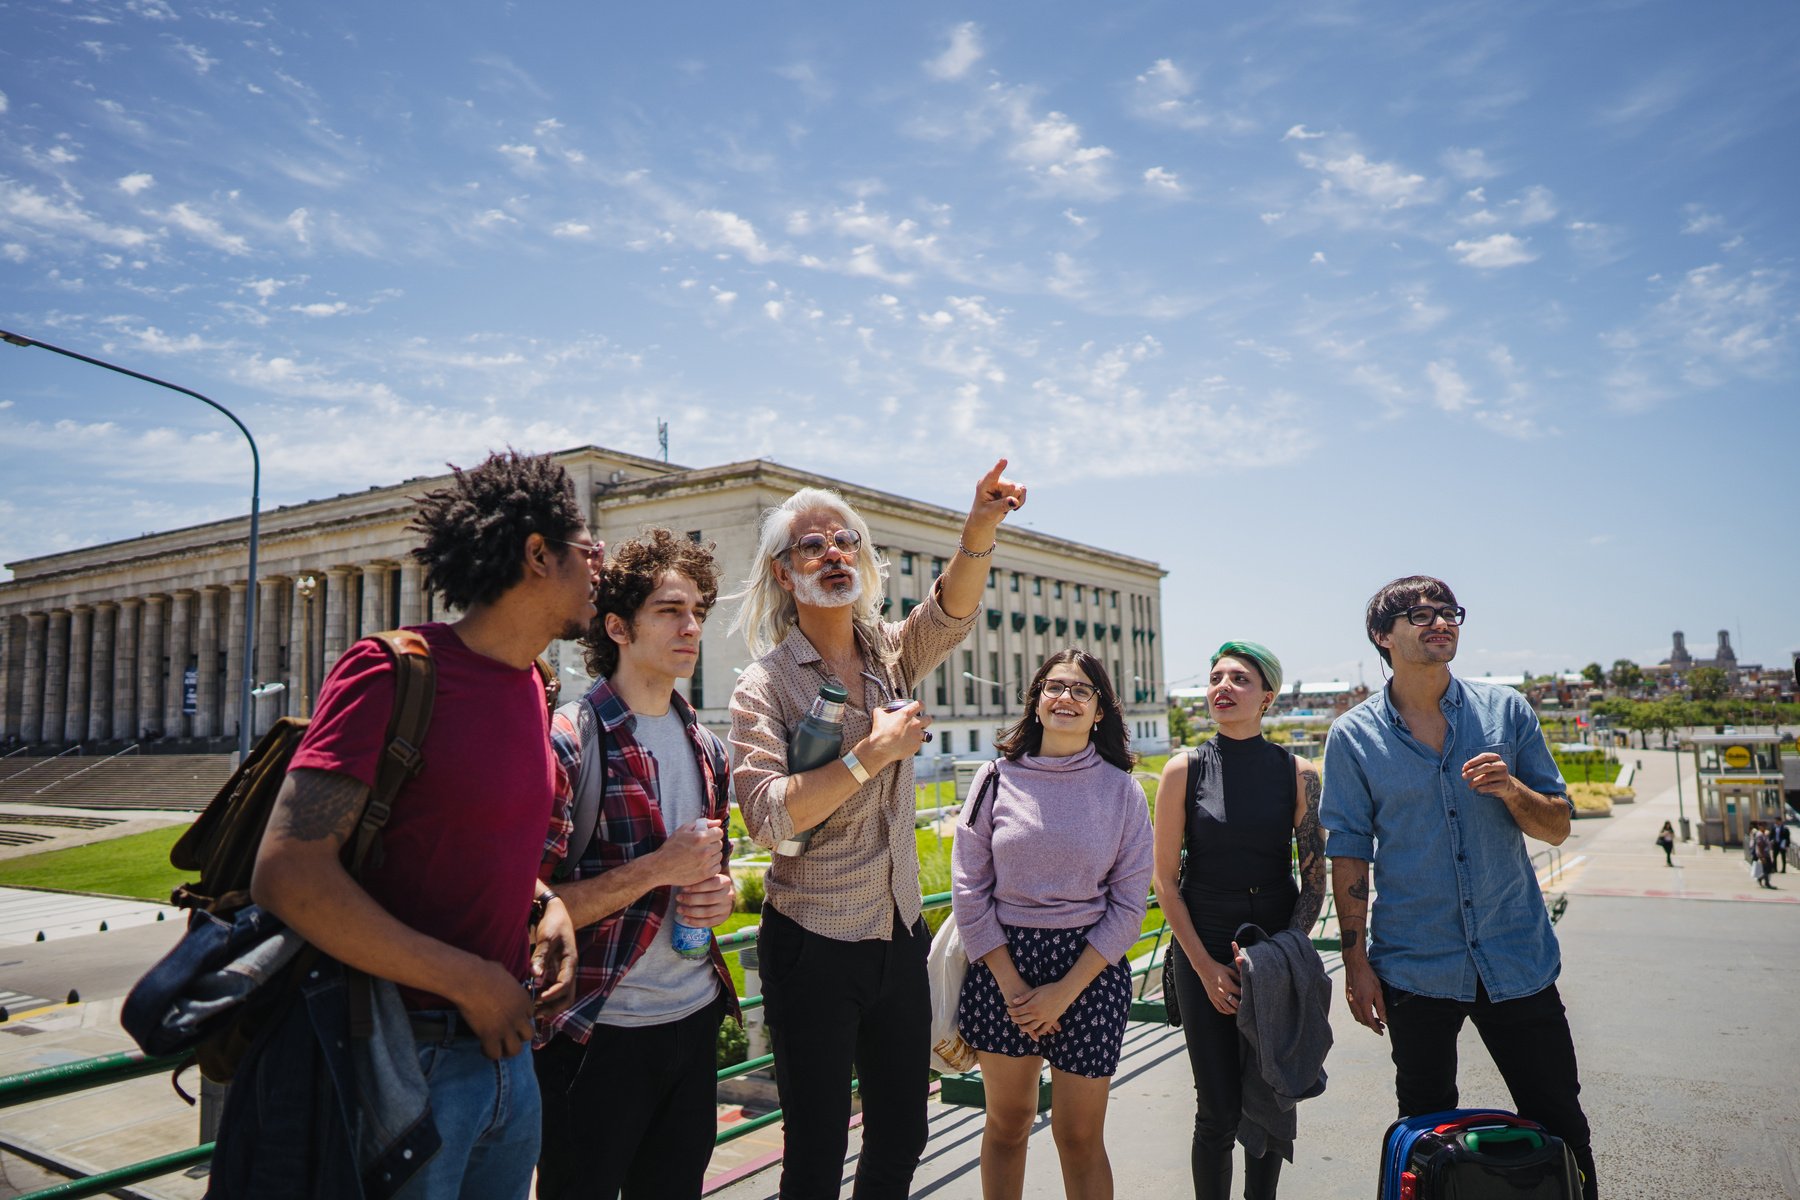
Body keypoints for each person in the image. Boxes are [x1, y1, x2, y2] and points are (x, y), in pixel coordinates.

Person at [240, 450, 589, 1200]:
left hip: (506, 1060)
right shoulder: (391, 670)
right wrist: (469, 981)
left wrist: (543, 903)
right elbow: (288, 872)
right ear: (538, 555)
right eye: (584, 549)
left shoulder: (535, 685)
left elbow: (463, 840)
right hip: (401, 1063)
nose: (598, 566)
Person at [728, 459, 1026, 1199]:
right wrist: (870, 755)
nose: (834, 554)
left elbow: (949, 613)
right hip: (812, 945)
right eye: (812, 546)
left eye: (845, 542)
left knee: (901, 1136)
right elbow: (766, 815)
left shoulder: (888, 654)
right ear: (782, 571)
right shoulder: (763, 683)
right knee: (817, 1156)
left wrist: (979, 524)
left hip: (897, 939)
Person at [1322, 576, 1597, 1200]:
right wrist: (1355, 962)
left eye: (1449, 612)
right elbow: (1348, 856)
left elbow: (1556, 825)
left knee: (1561, 1121)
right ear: (1381, 637)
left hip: (1516, 955)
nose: (1439, 622)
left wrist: (1511, 789)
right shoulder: (1353, 737)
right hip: (1415, 964)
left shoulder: (1506, 712)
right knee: (1424, 1131)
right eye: (1420, 615)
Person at [534, 530, 739, 1200]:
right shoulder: (570, 740)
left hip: (693, 1022)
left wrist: (722, 896)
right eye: (670, 611)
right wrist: (657, 869)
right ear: (618, 626)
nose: (691, 627)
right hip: (596, 1037)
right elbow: (530, 909)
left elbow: (713, 870)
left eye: (699, 613)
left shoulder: (708, 747)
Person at [951, 650, 1153, 1200]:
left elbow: (1130, 904)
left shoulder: (1123, 792)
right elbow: (969, 889)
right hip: (1002, 966)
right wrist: (1016, 989)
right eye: (1055, 686)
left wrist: (1063, 992)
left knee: (1080, 1136)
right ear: (1037, 702)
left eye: (1082, 690)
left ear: (1100, 712)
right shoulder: (994, 779)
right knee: (1007, 1123)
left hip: (1089, 970)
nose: (1066, 697)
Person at [1152, 641, 1325, 1200]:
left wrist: (1284, 954)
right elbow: (1164, 882)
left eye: (1240, 679)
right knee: (1219, 1109)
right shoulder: (1183, 769)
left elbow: (1315, 875)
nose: (1223, 687)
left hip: (1273, 948)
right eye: (1216, 678)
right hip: (1202, 948)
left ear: (1267, 697)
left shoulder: (1299, 775)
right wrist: (1203, 968)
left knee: (1270, 1096)